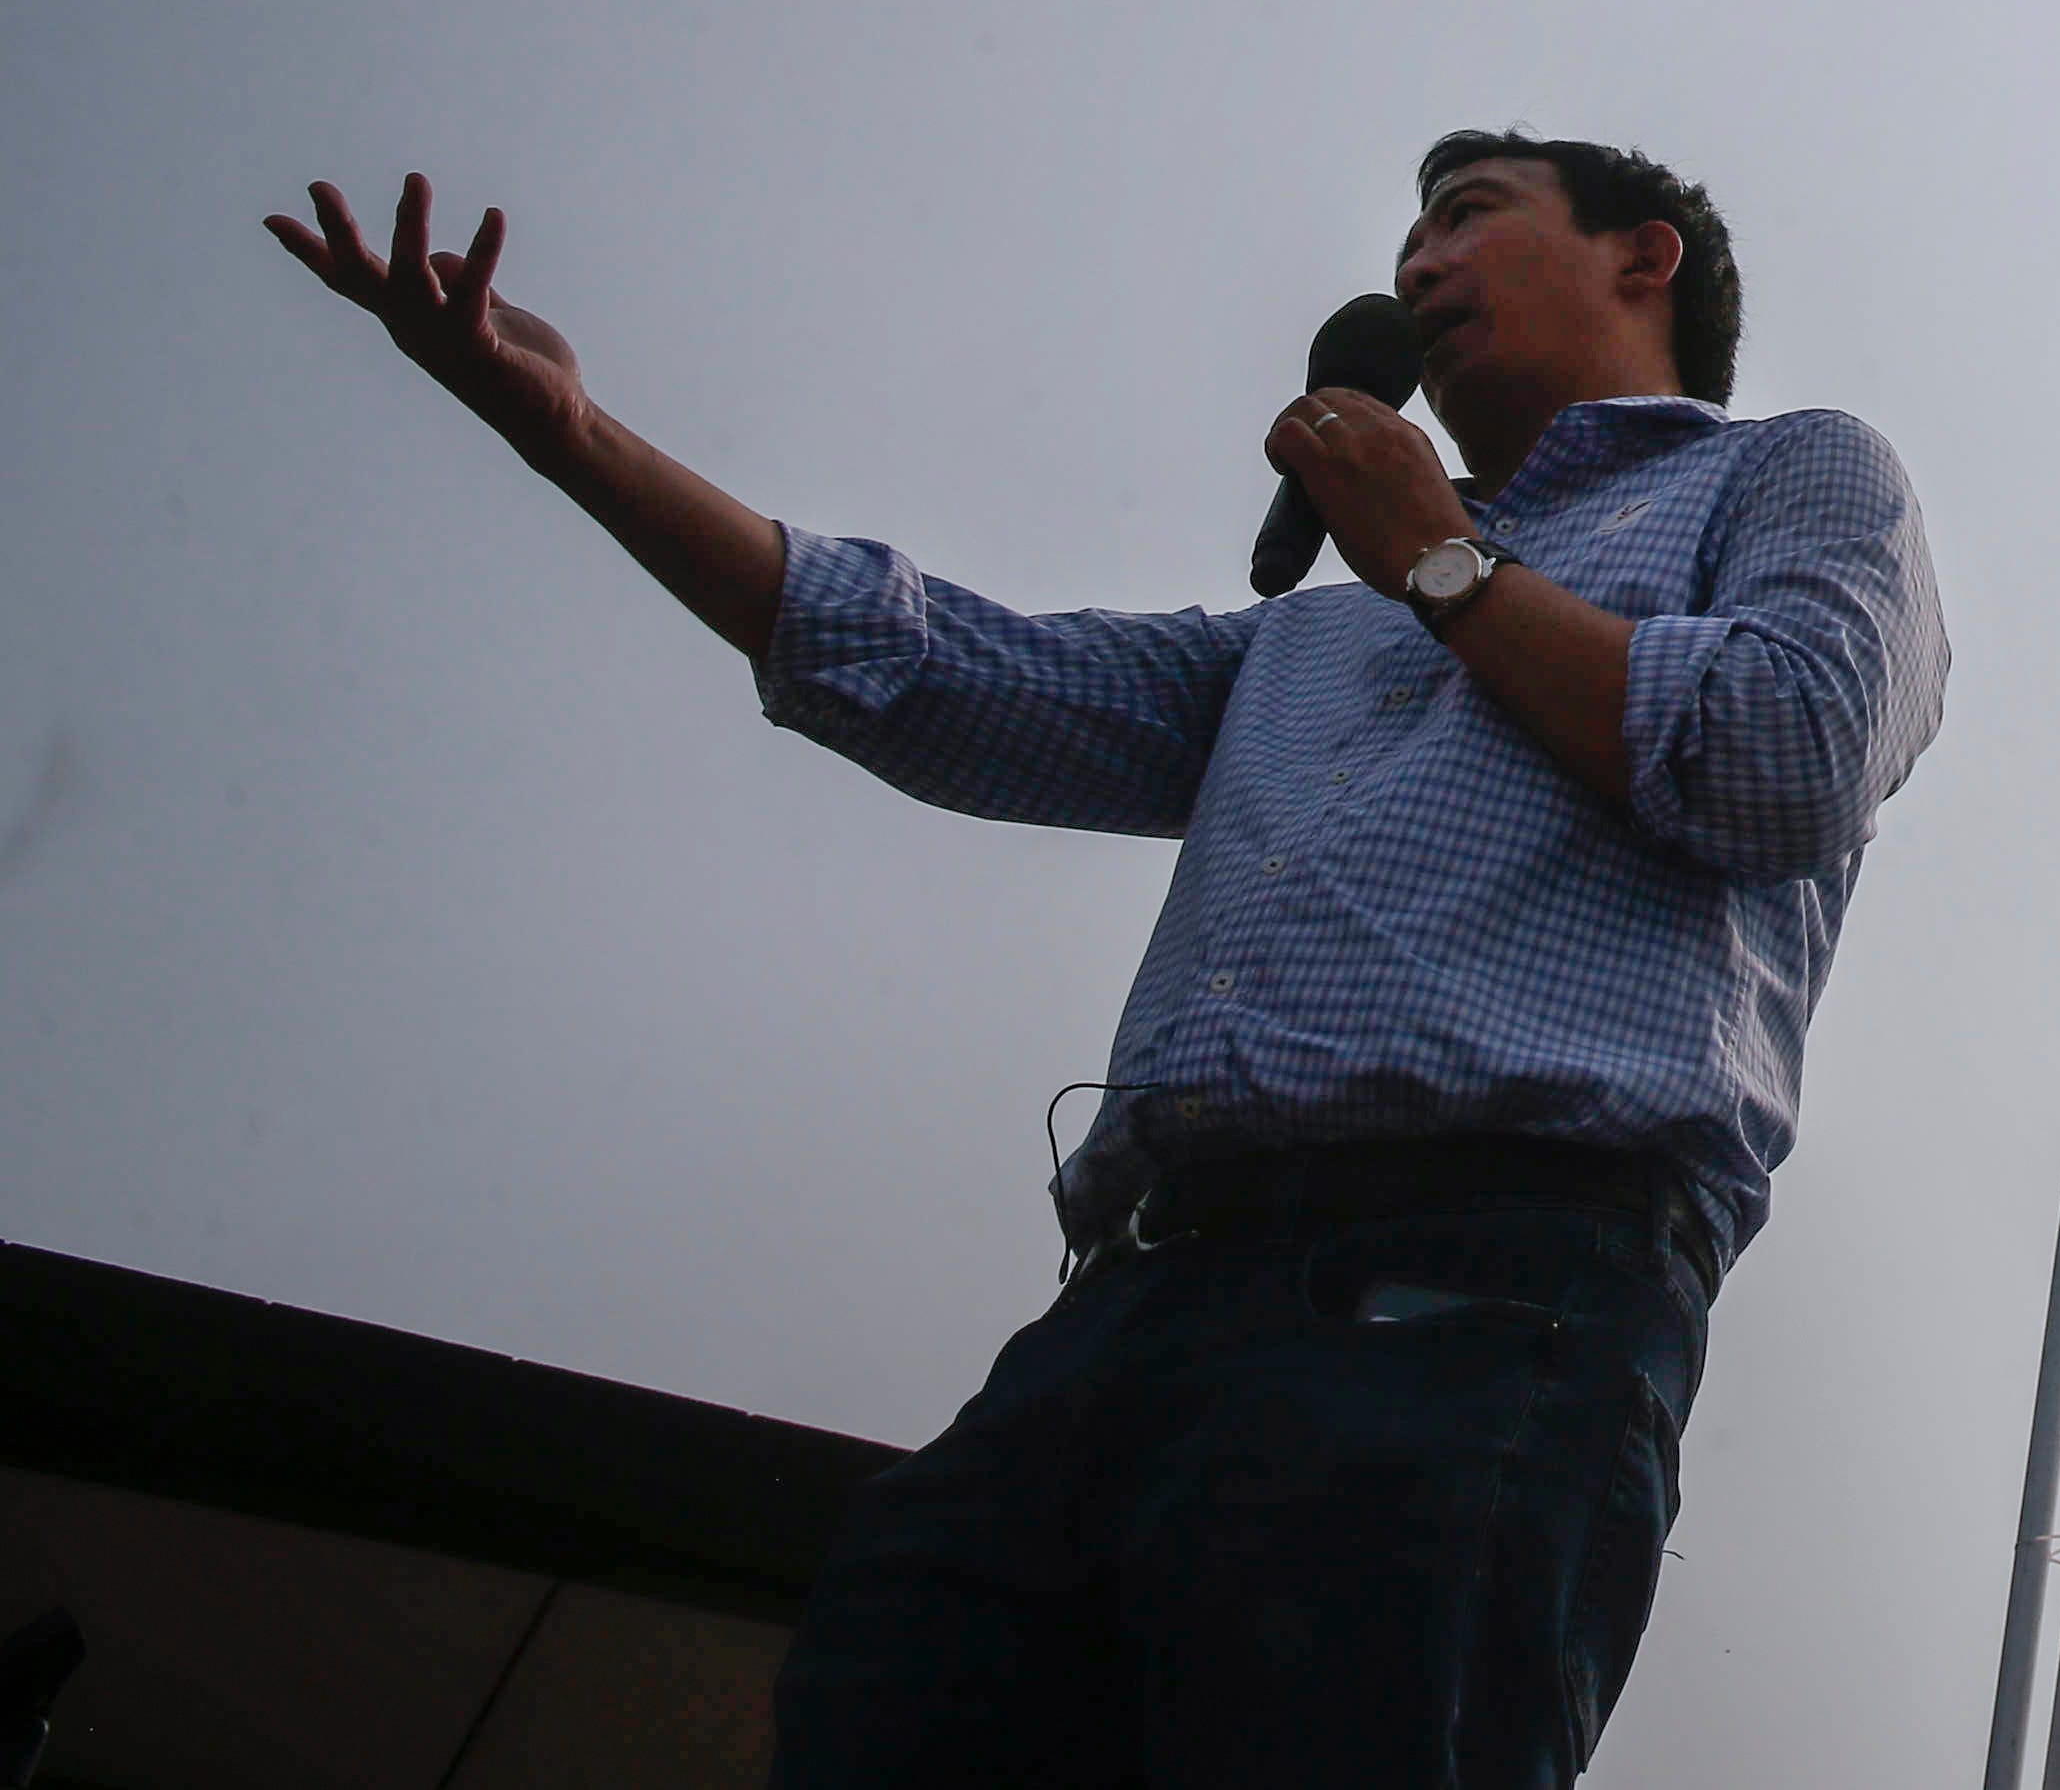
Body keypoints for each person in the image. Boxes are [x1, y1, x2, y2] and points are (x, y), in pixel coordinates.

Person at [265, 132, 1949, 1788]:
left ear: (1640, 256)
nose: (1415, 265)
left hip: (1489, 1293)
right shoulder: (1319, 623)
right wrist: (571, 437)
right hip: (1127, 1309)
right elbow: (949, 676)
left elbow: (1784, 757)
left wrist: (1439, 557)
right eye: (1410, 235)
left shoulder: (1788, 472)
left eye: (1467, 216)